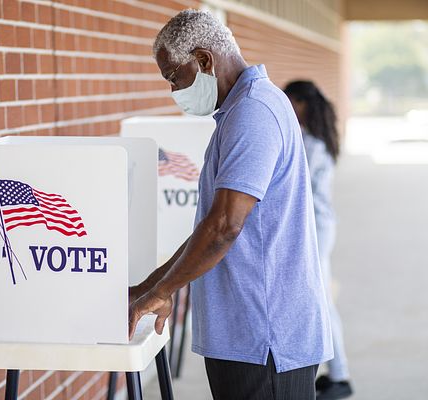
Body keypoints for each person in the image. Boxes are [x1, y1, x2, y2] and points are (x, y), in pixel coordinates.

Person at [129, 9, 333, 400]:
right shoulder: (241, 110)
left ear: (204, 59)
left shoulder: (254, 112)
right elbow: (209, 228)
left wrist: (164, 290)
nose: (174, 91)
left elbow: (225, 227)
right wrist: (151, 286)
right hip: (248, 336)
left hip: (265, 338)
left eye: (175, 77)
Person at [284, 80, 354, 400]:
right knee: (319, 299)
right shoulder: (315, 139)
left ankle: (340, 377)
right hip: (318, 226)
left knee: (322, 302)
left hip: (316, 228)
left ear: (300, 103)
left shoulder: (310, 144)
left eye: (289, 101)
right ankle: (333, 372)